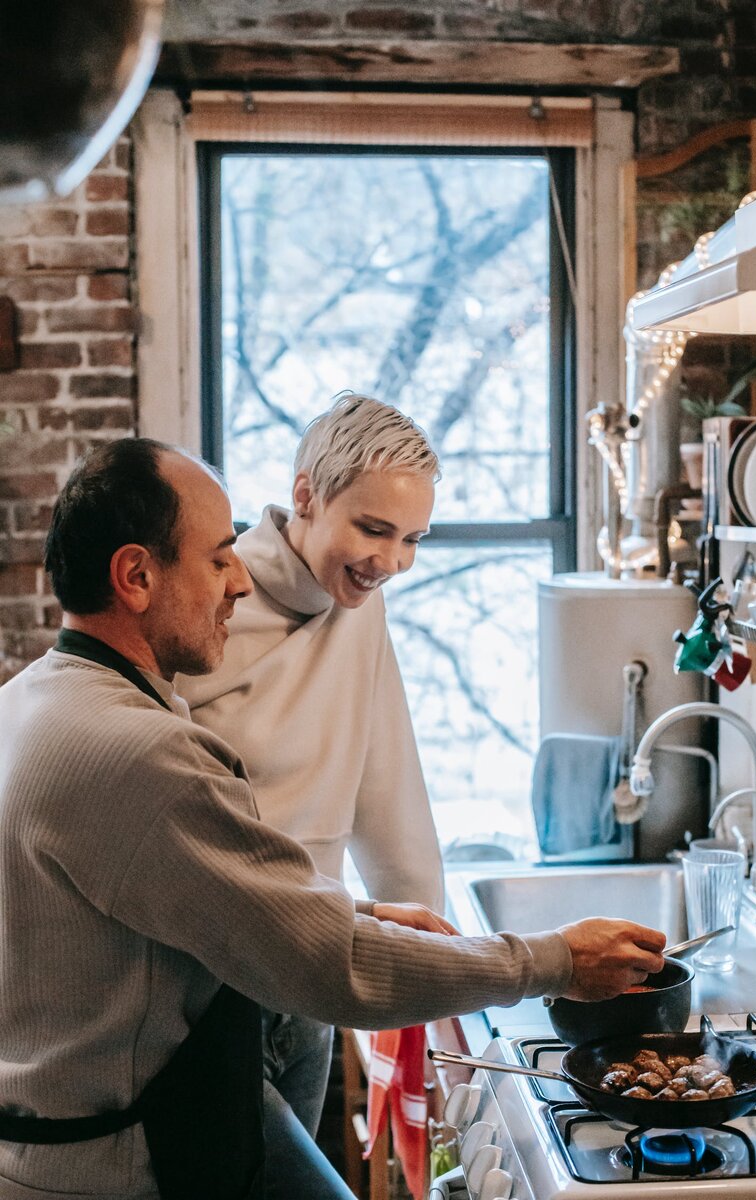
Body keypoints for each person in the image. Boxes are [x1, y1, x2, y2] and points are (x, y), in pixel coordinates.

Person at [0, 437, 666, 1200]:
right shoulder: (142, 754)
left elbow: (184, 890)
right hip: (122, 1164)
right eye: (218, 557)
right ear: (137, 576)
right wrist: (553, 961)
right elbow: (330, 966)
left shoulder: (31, 700)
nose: (239, 581)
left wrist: (369, 908)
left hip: (65, 1138)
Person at [178, 394, 446, 1146]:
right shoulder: (204, 599)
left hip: (314, 971)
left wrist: (436, 957)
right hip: (204, 988)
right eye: (372, 529)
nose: (391, 562)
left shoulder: (361, 606)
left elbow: (386, 776)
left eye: (412, 539)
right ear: (306, 496)